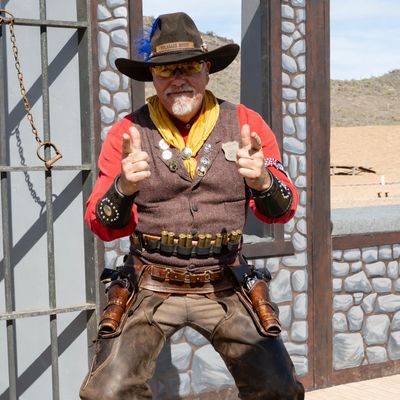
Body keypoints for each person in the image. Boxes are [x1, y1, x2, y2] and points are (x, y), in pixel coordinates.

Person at [80, 11, 304, 400]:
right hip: (151, 280)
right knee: (106, 392)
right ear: (152, 76)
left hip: (225, 279)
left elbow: (282, 209)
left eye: (189, 67)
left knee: (278, 388)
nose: (178, 79)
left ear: (207, 70)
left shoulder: (246, 123)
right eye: (166, 70)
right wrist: (123, 187)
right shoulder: (127, 133)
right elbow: (101, 223)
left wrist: (262, 181)